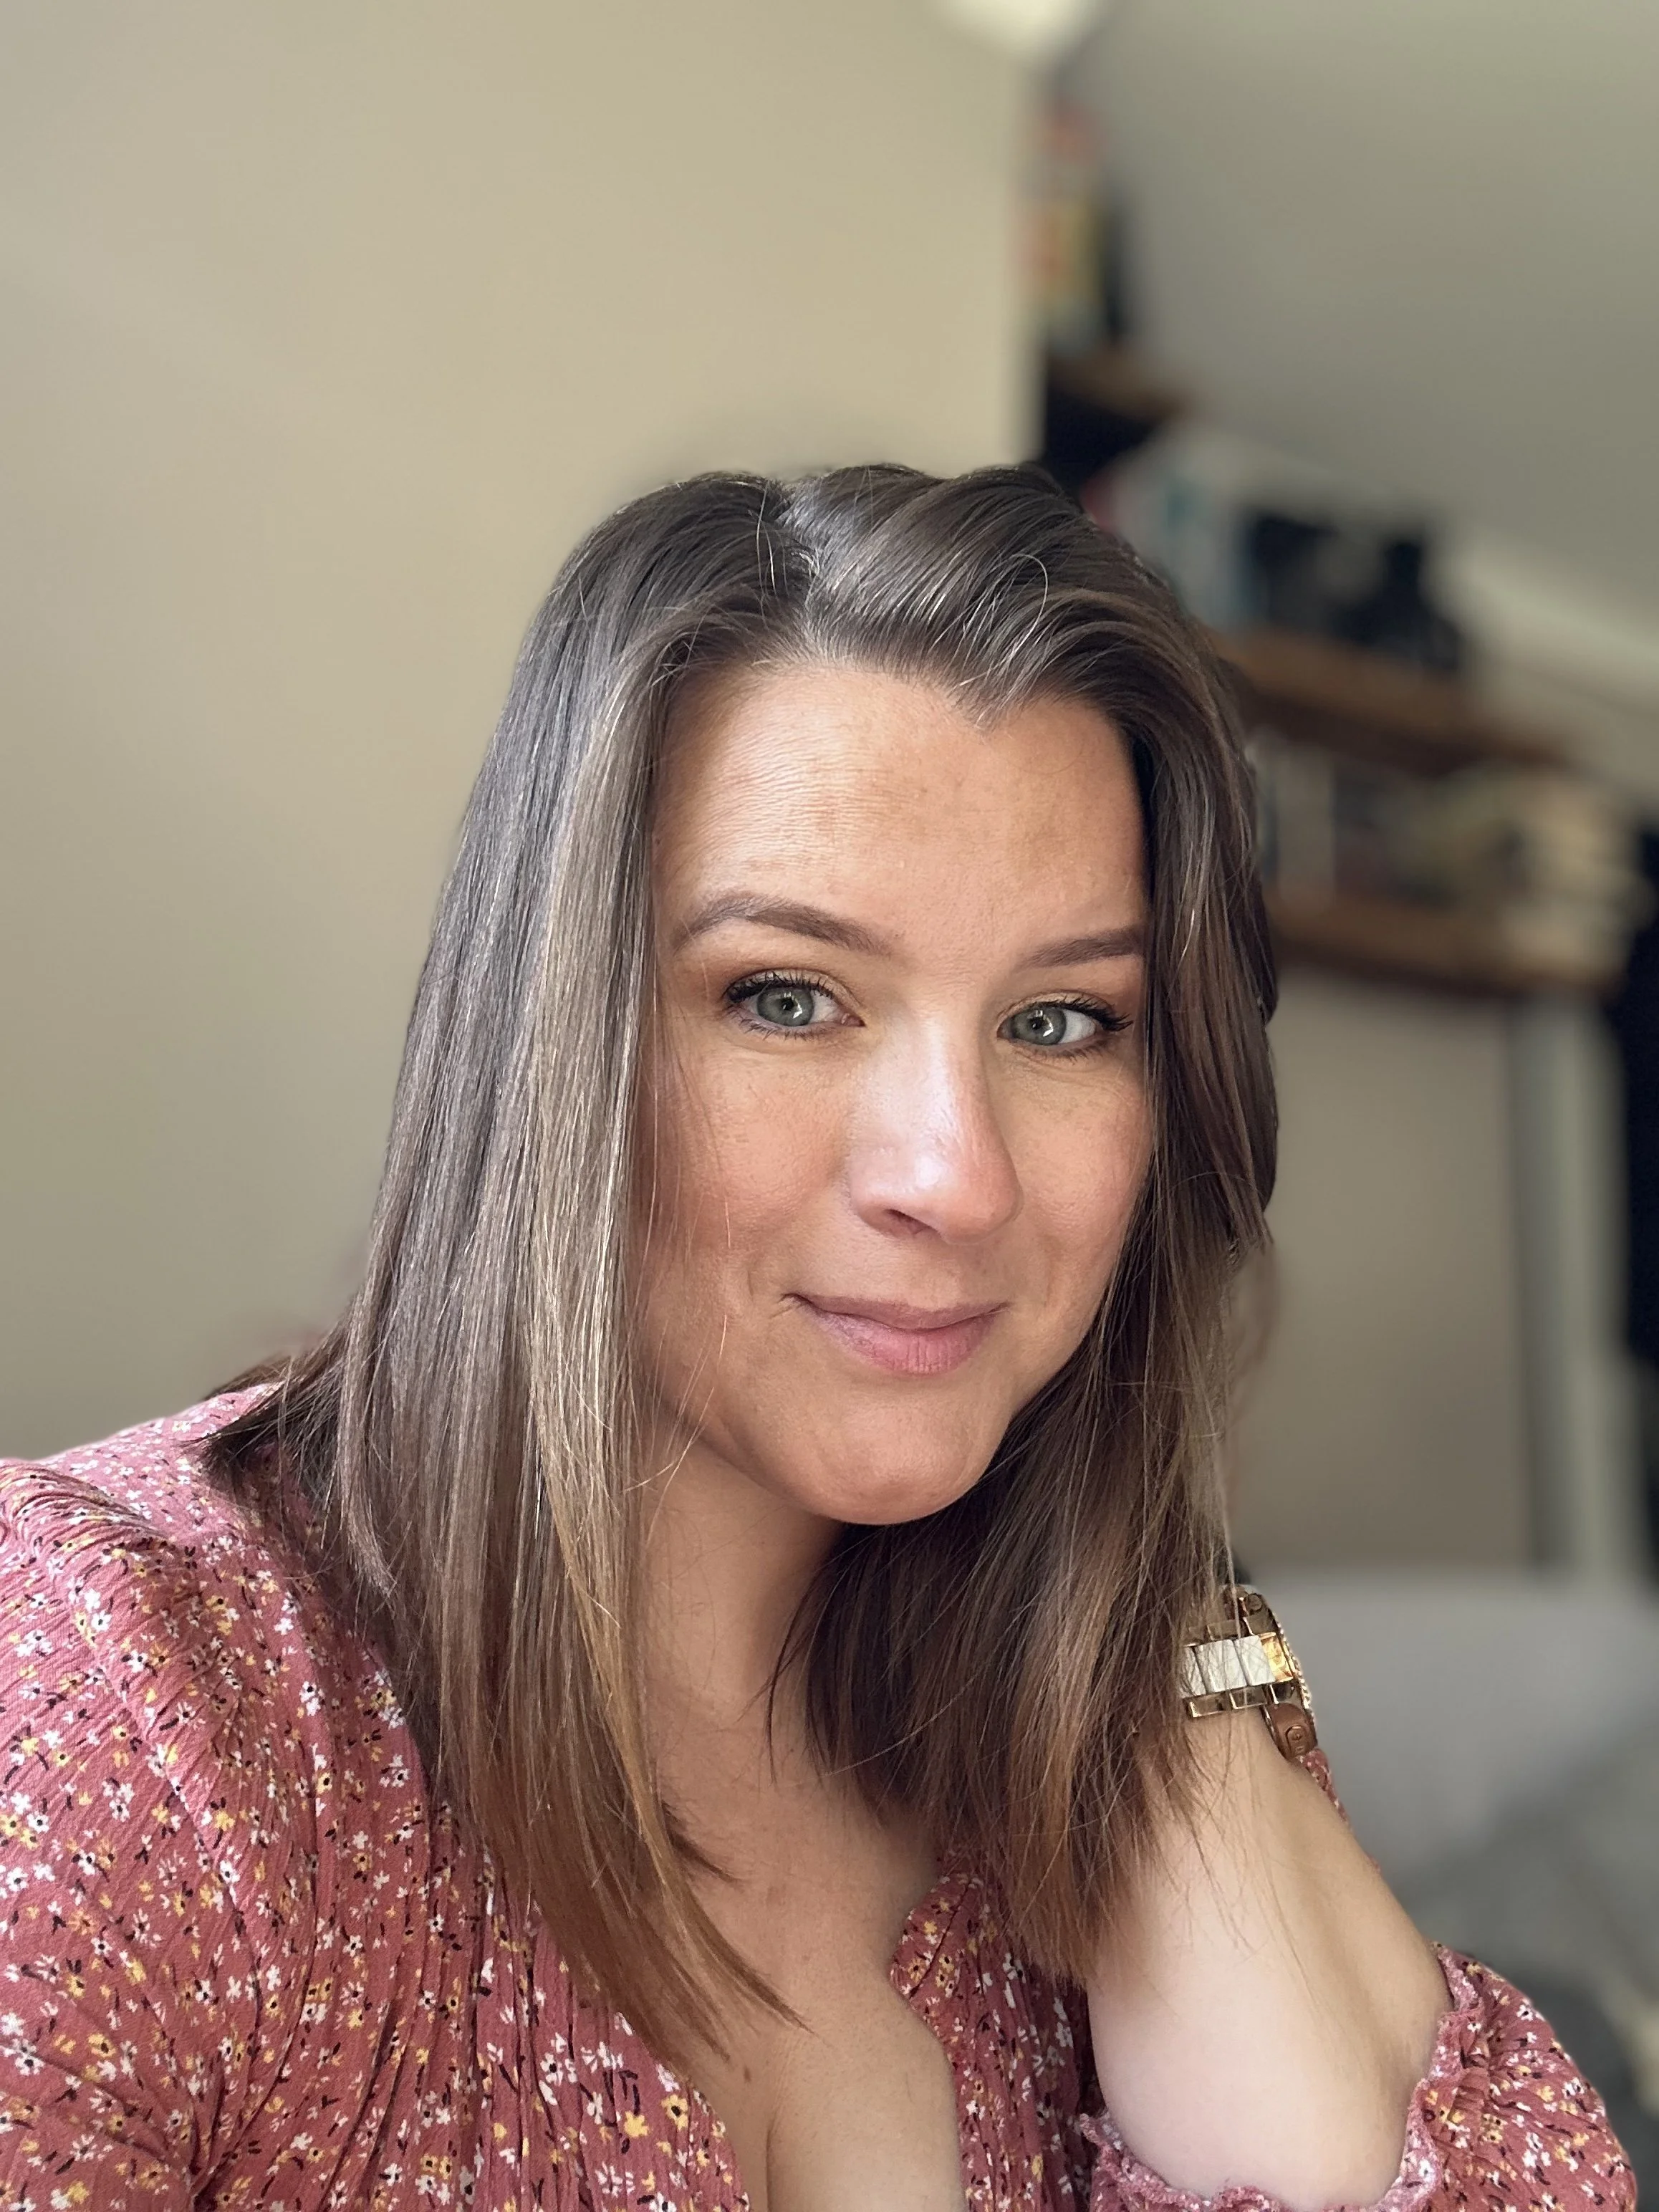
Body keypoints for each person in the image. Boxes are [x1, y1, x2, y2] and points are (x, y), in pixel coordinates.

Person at [0, 465, 1630, 2211]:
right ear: (552, 1040)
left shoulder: (1122, 1719)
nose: (956, 1175)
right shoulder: (121, 1699)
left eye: (1066, 1019)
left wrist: (1144, 1616)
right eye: (788, 996)